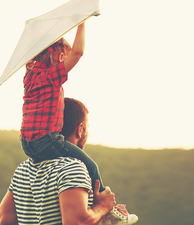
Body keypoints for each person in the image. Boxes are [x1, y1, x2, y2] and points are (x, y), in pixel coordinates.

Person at [19, 22, 137, 224]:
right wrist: (81, 23)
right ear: (57, 56)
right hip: (48, 141)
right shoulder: (50, 76)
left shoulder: (29, 76)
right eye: (64, 55)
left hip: (26, 143)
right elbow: (78, 53)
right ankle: (105, 210)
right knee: (90, 165)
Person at [0, 98, 138, 225]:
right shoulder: (72, 167)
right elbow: (75, 222)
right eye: (87, 128)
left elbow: (3, 221)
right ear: (80, 130)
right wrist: (103, 206)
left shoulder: (23, 169)